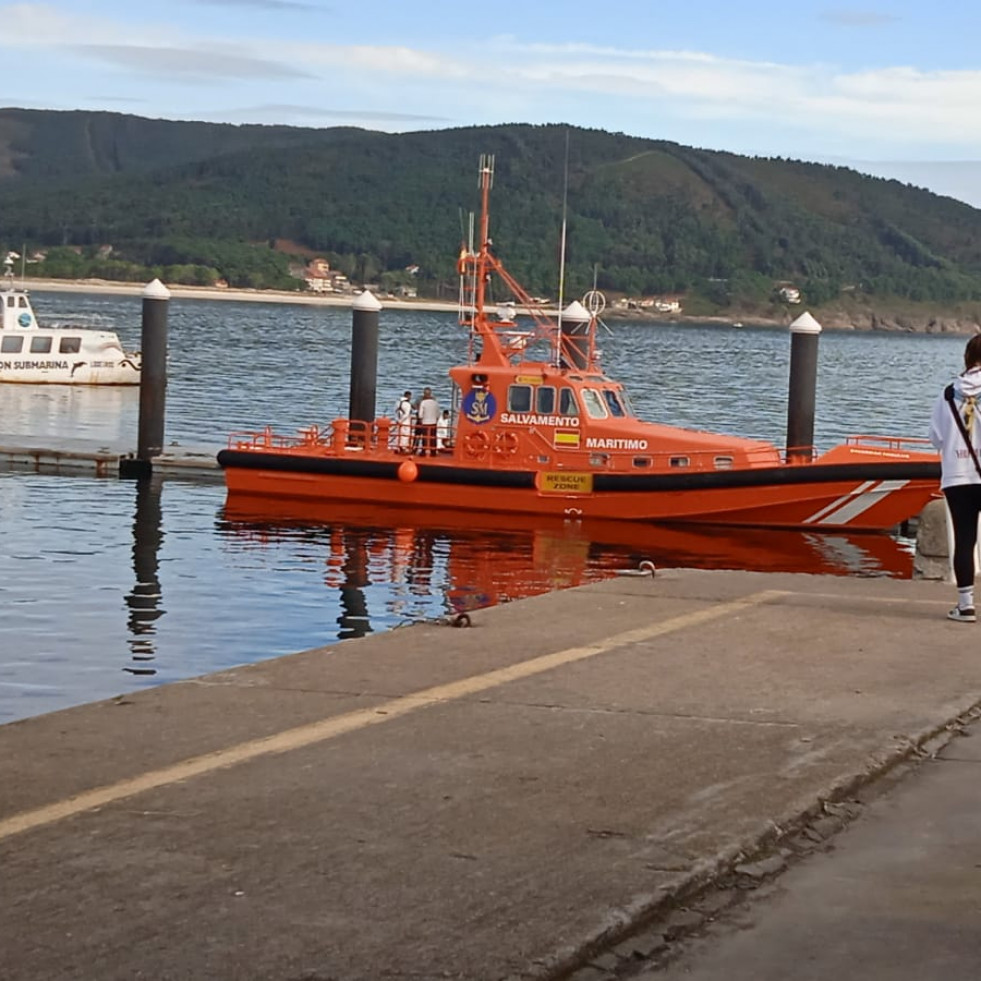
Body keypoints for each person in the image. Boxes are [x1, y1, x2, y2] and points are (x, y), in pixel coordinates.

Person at [929, 333, 981, 622]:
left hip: (958, 477)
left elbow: (936, 438)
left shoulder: (948, 394)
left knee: (964, 539)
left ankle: (965, 605)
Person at [416, 387, 441, 457]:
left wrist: (421, 419)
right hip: (433, 422)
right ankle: (433, 452)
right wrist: (436, 419)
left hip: (425, 422)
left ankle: (423, 451)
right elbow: (438, 414)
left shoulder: (423, 402)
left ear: (424, 394)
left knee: (425, 437)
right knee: (433, 437)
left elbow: (420, 414)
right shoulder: (435, 403)